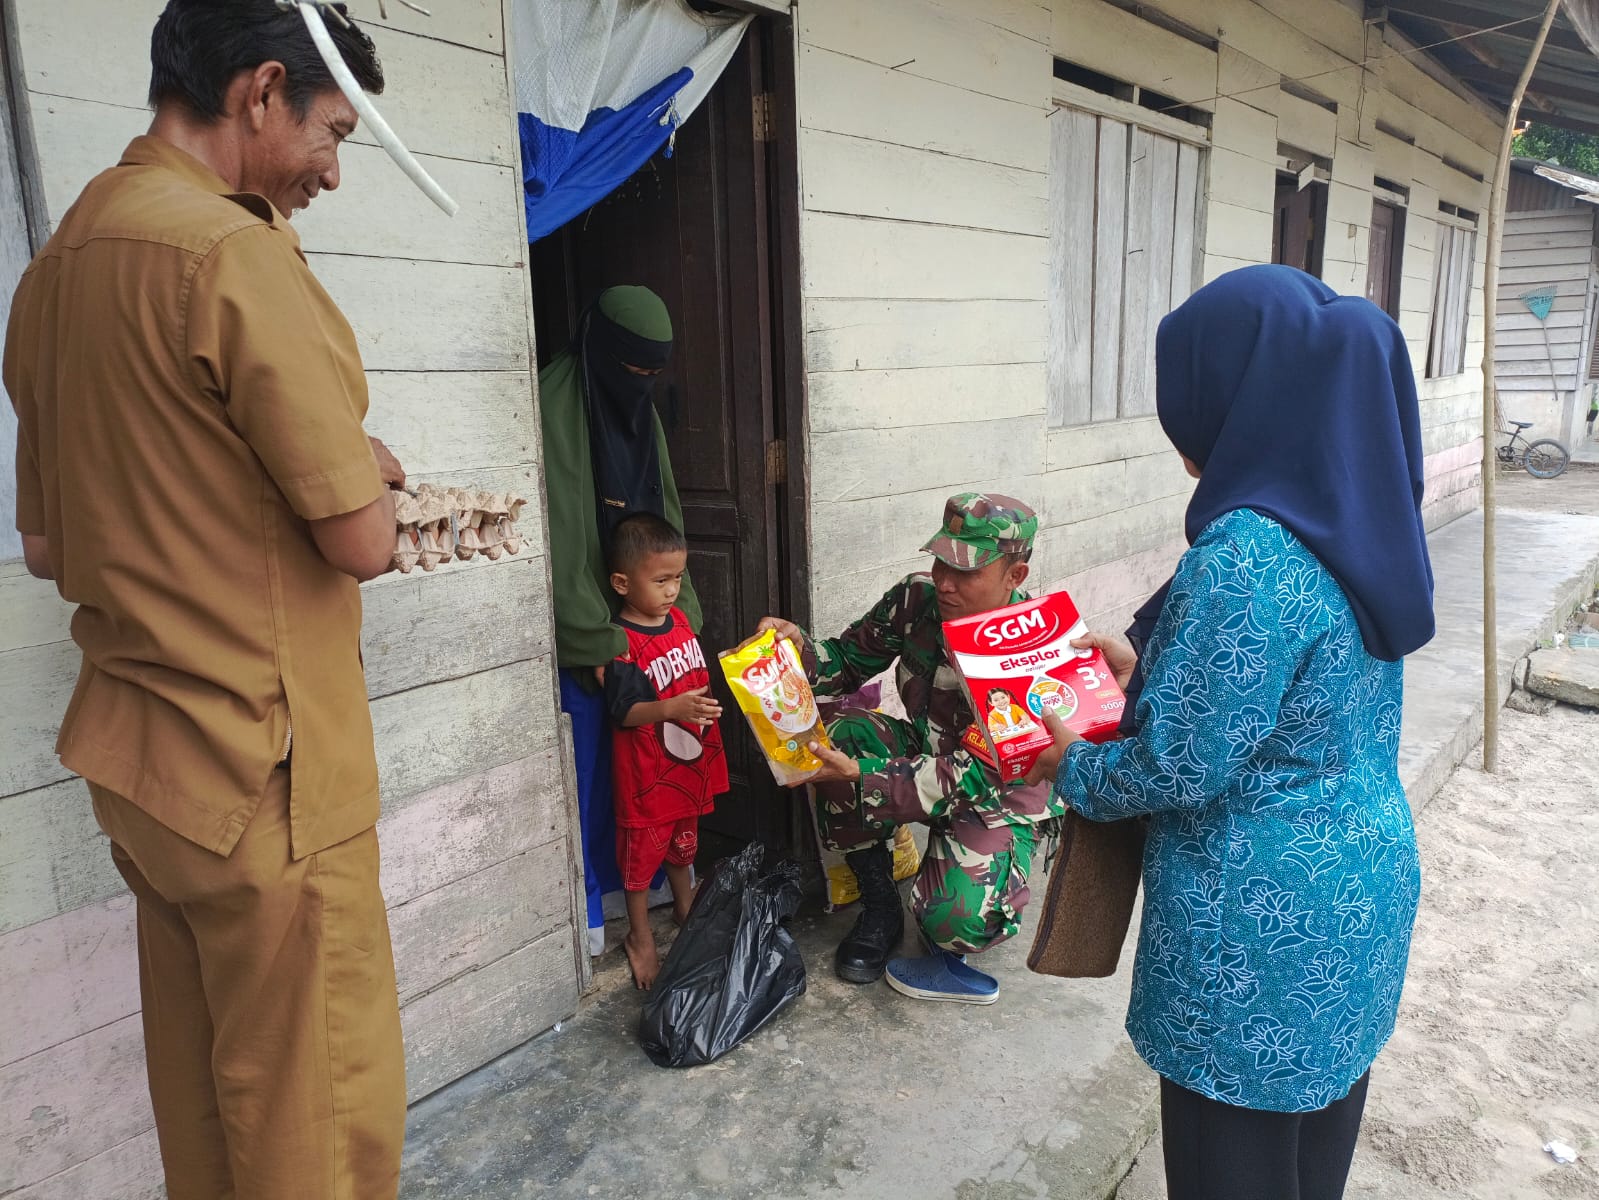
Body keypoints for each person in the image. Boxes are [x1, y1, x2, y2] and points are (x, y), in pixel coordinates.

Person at [3, 3, 406, 1197]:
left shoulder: (61, 261)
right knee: (318, 1116)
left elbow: (41, 540)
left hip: (145, 767)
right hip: (264, 768)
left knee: (209, 1096)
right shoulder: (233, 254)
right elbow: (361, 542)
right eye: (330, 133)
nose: (332, 170)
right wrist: (366, 474)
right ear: (259, 91)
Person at [1027, 265, 1434, 1200]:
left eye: (1197, 413)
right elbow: (1302, 692)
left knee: (1229, 1171)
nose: (1187, 450)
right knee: (1304, 1157)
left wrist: (1073, 763)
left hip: (1254, 924)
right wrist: (1156, 670)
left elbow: (1178, 766)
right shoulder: (1363, 524)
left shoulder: (1246, 551)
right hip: (1354, 893)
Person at [758, 494, 1061, 1004]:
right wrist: (798, 649)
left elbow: (980, 776)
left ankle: (964, 880)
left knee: (955, 922)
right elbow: (846, 662)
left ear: (1015, 575)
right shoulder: (918, 600)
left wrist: (864, 776)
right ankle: (880, 903)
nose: (945, 580)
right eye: (942, 560)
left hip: (996, 797)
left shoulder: (1034, 649)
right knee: (833, 733)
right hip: (924, 752)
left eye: (966, 571)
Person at [539, 285, 702, 957]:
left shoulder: (642, 411)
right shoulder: (554, 405)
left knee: (657, 771)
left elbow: (662, 512)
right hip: (598, 637)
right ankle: (602, 907)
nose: (642, 384)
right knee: (598, 781)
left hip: (649, 628)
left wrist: (677, 613)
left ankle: (662, 889)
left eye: (652, 372)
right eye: (631, 368)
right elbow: (560, 532)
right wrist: (598, 637)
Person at [603, 513, 727, 988]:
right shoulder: (621, 643)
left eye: (677, 578)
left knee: (683, 844)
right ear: (621, 582)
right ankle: (639, 936)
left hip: (689, 767)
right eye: (660, 580)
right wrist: (671, 707)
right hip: (647, 775)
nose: (672, 590)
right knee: (640, 862)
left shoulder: (678, 621)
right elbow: (624, 712)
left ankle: (684, 904)